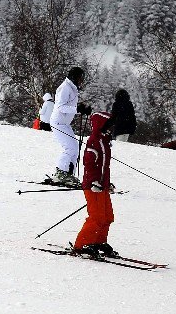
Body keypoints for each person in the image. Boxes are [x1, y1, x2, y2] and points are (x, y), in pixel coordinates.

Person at [73, 110, 117, 257]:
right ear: (101, 125)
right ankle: (82, 245)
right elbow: (89, 164)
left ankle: (98, 241)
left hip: (101, 186)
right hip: (92, 186)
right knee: (96, 217)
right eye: (108, 125)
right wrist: (94, 182)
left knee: (107, 216)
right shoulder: (94, 141)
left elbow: (104, 166)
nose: (110, 128)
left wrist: (106, 183)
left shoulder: (104, 141)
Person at [49, 67, 90, 186]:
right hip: (58, 123)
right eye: (80, 78)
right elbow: (60, 107)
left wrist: (82, 108)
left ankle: (68, 174)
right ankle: (60, 173)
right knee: (70, 148)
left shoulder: (71, 87)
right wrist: (77, 109)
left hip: (64, 124)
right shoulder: (65, 88)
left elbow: (69, 104)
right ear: (74, 77)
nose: (81, 81)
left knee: (75, 147)